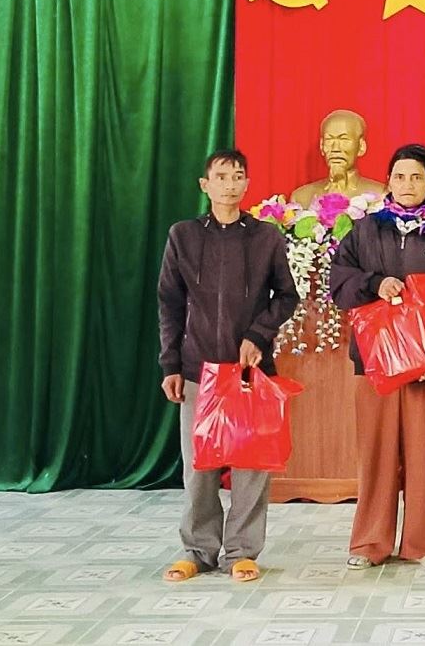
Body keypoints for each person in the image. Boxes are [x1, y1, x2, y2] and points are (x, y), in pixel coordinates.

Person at [157, 149, 299, 582]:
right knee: (199, 466)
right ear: (206, 185)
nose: (230, 184)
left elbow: (286, 296)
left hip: (251, 373)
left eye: (238, 176)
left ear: (247, 184)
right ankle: (198, 550)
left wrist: (258, 335)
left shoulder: (266, 237)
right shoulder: (183, 236)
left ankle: (242, 551)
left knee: (250, 467)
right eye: (221, 177)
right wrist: (170, 364)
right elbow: (169, 302)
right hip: (198, 371)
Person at [330, 143, 425, 571]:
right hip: (376, 365)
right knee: (377, 454)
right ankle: (370, 542)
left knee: (424, 456)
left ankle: (424, 543)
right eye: (399, 176)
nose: (407, 184)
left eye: (417, 177)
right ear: (388, 181)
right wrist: (375, 283)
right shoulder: (364, 231)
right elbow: (338, 281)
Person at [291, 109, 386, 206]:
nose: (335, 148)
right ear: (322, 146)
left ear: (361, 146)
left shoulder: (381, 195)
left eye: (344, 139)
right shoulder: (301, 198)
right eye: (329, 139)